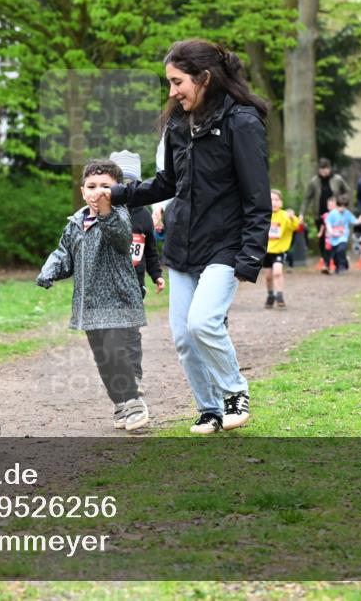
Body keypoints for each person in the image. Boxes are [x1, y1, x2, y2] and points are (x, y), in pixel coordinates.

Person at [110, 39, 270, 435]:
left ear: (204, 78)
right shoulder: (179, 123)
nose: (172, 92)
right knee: (183, 337)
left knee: (203, 322)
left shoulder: (242, 122)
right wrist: (117, 195)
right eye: (169, 83)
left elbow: (257, 198)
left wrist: (251, 256)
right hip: (182, 243)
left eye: (177, 81)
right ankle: (210, 409)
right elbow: (167, 183)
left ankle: (235, 393)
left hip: (226, 243)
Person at [37, 160, 150, 432]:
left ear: (118, 191)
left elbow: (122, 238)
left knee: (115, 352)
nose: (97, 191)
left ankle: (134, 401)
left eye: (105, 186)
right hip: (89, 305)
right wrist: (49, 271)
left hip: (118, 300)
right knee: (102, 359)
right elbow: (64, 253)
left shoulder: (119, 215)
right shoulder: (76, 222)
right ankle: (120, 403)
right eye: (91, 186)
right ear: (82, 190)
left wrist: (106, 211)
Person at [110, 150, 165, 396]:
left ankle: (135, 376)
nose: (126, 187)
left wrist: (157, 275)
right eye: (121, 182)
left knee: (131, 333)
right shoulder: (105, 213)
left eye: (131, 182)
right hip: (108, 285)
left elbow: (150, 250)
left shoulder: (144, 216)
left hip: (135, 284)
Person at [263, 189, 300, 308]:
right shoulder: (263, 216)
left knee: (277, 272)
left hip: (279, 250)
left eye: (276, 200)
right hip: (266, 251)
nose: (274, 202)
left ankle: (279, 295)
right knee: (268, 276)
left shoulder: (284, 216)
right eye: (271, 200)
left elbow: (296, 226)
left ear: (281, 203)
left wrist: (292, 217)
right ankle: (270, 295)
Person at [302, 157, 351, 231]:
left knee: (336, 236)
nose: (323, 172)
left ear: (329, 169)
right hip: (320, 215)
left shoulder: (337, 179)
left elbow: (347, 191)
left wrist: (342, 202)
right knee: (322, 237)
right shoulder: (314, 181)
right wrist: (302, 214)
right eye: (321, 170)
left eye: (325, 170)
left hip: (336, 214)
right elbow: (307, 198)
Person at [323, 196, 361, 275]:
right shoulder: (332, 213)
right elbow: (328, 223)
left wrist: (360, 220)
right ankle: (338, 266)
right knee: (334, 255)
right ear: (337, 205)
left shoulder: (347, 213)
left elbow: (354, 220)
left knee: (340, 250)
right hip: (333, 238)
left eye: (344, 207)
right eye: (340, 206)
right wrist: (331, 231)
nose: (342, 208)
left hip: (343, 237)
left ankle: (342, 266)